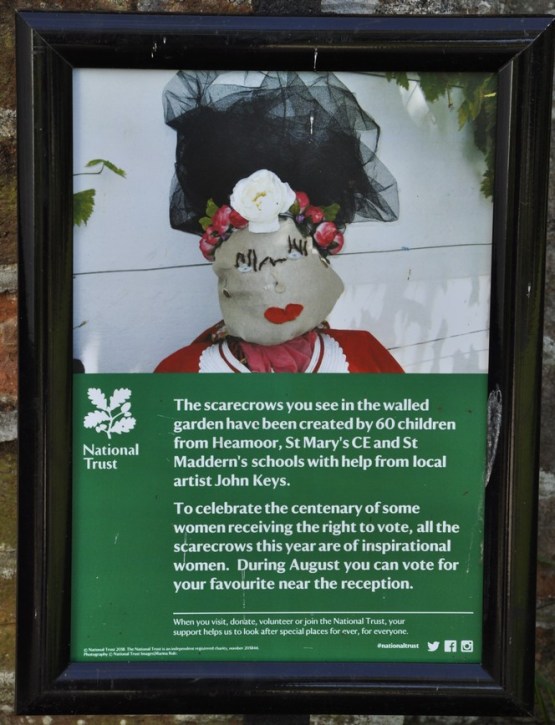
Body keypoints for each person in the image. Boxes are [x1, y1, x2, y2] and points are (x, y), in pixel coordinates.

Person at [155, 71, 403, 374]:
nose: (277, 285)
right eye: (248, 264)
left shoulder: (364, 357)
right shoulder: (182, 373)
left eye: (294, 255)